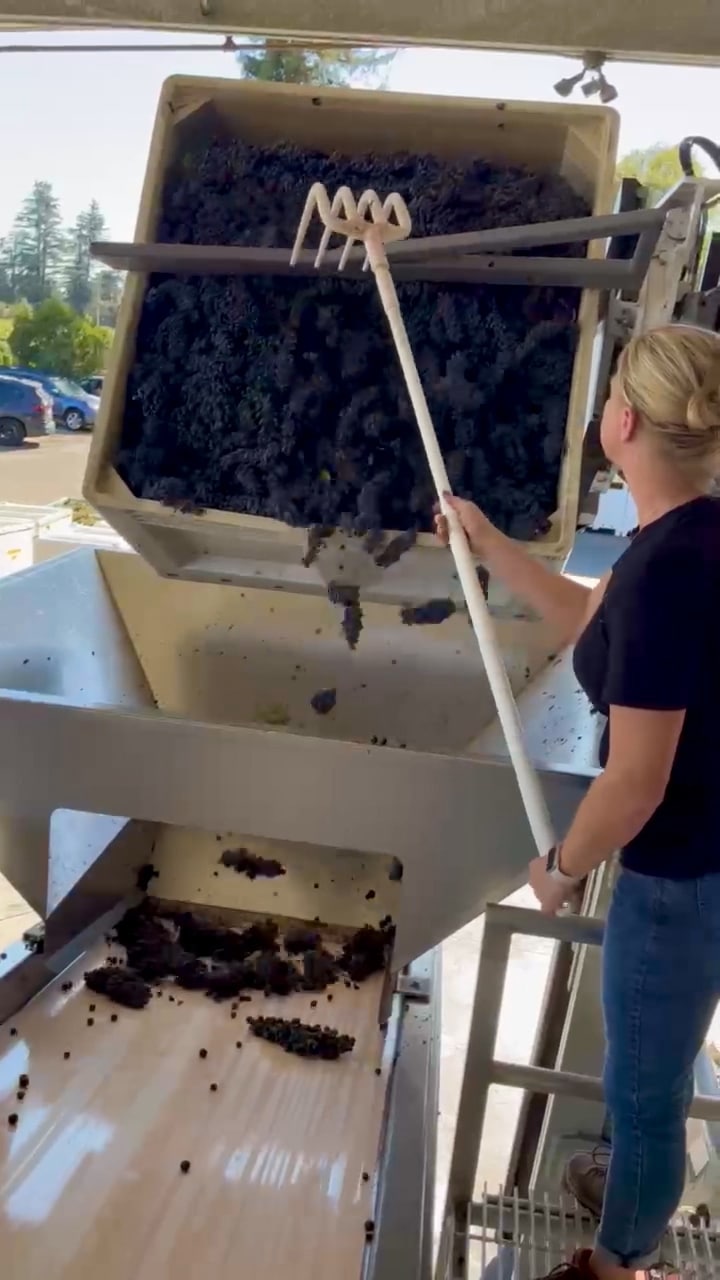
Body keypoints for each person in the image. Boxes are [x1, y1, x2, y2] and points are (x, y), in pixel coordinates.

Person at [435, 324, 720, 1280]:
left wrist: (562, 869)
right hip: (704, 859)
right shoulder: (683, 539)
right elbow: (588, 619)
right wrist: (482, 541)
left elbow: (635, 782)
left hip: (683, 876)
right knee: (654, 1075)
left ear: (624, 419)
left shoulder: (671, 569)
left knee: (644, 1091)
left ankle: (619, 1266)